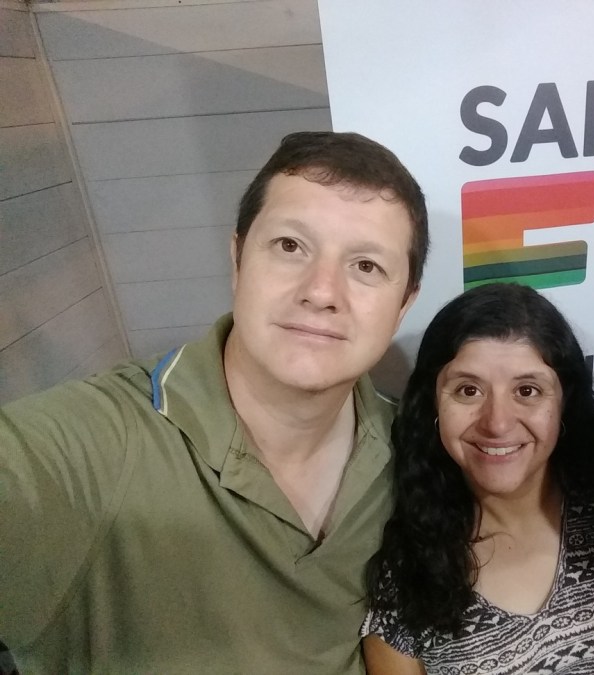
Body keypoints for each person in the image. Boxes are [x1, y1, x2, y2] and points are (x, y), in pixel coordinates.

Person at [0, 131, 428, 674]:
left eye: (366, 266)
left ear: (403, 303)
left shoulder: (413, 451)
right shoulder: (98, 445)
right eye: (290, 246)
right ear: (237, 259)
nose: (321, 291)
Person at [362, 283, 594, 675]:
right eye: (468, 390)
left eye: (527, 390)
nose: (497, 423)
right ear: (432, 403)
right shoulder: (406, 576)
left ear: (564, 401)